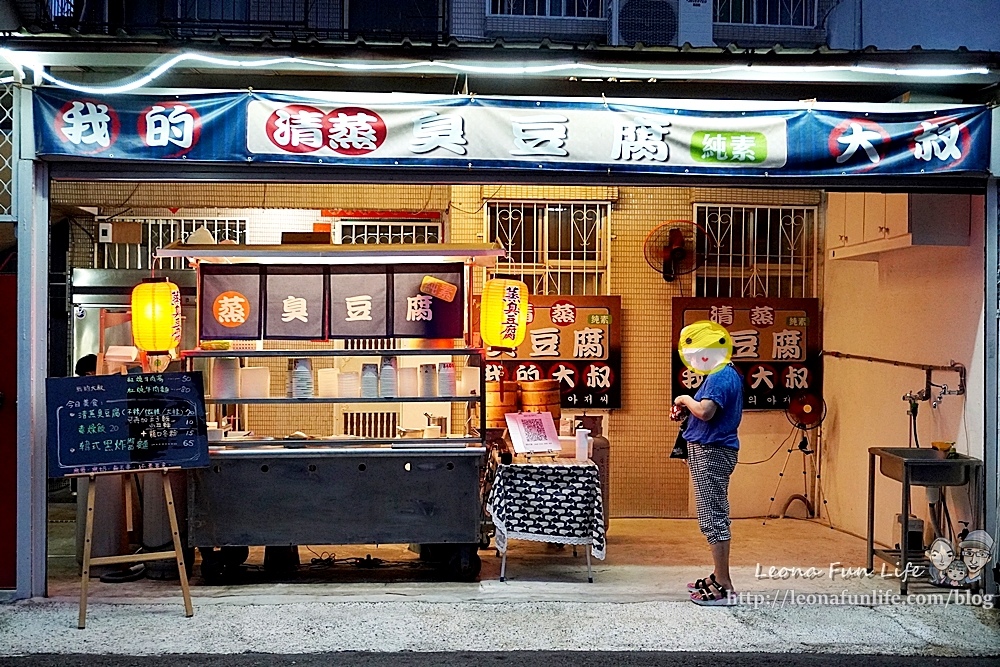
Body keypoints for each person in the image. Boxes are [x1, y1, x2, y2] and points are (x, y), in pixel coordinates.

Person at [674, 321, 743, 606]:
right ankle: (718, 575)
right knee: (713, 513)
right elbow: (703, 413)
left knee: (712, 515)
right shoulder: (721, 374)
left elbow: (705, 411)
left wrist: (685, 399)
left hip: (712, 450)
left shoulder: (720, 376)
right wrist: (685, 413)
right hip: (709, 448)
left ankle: (723, 583)